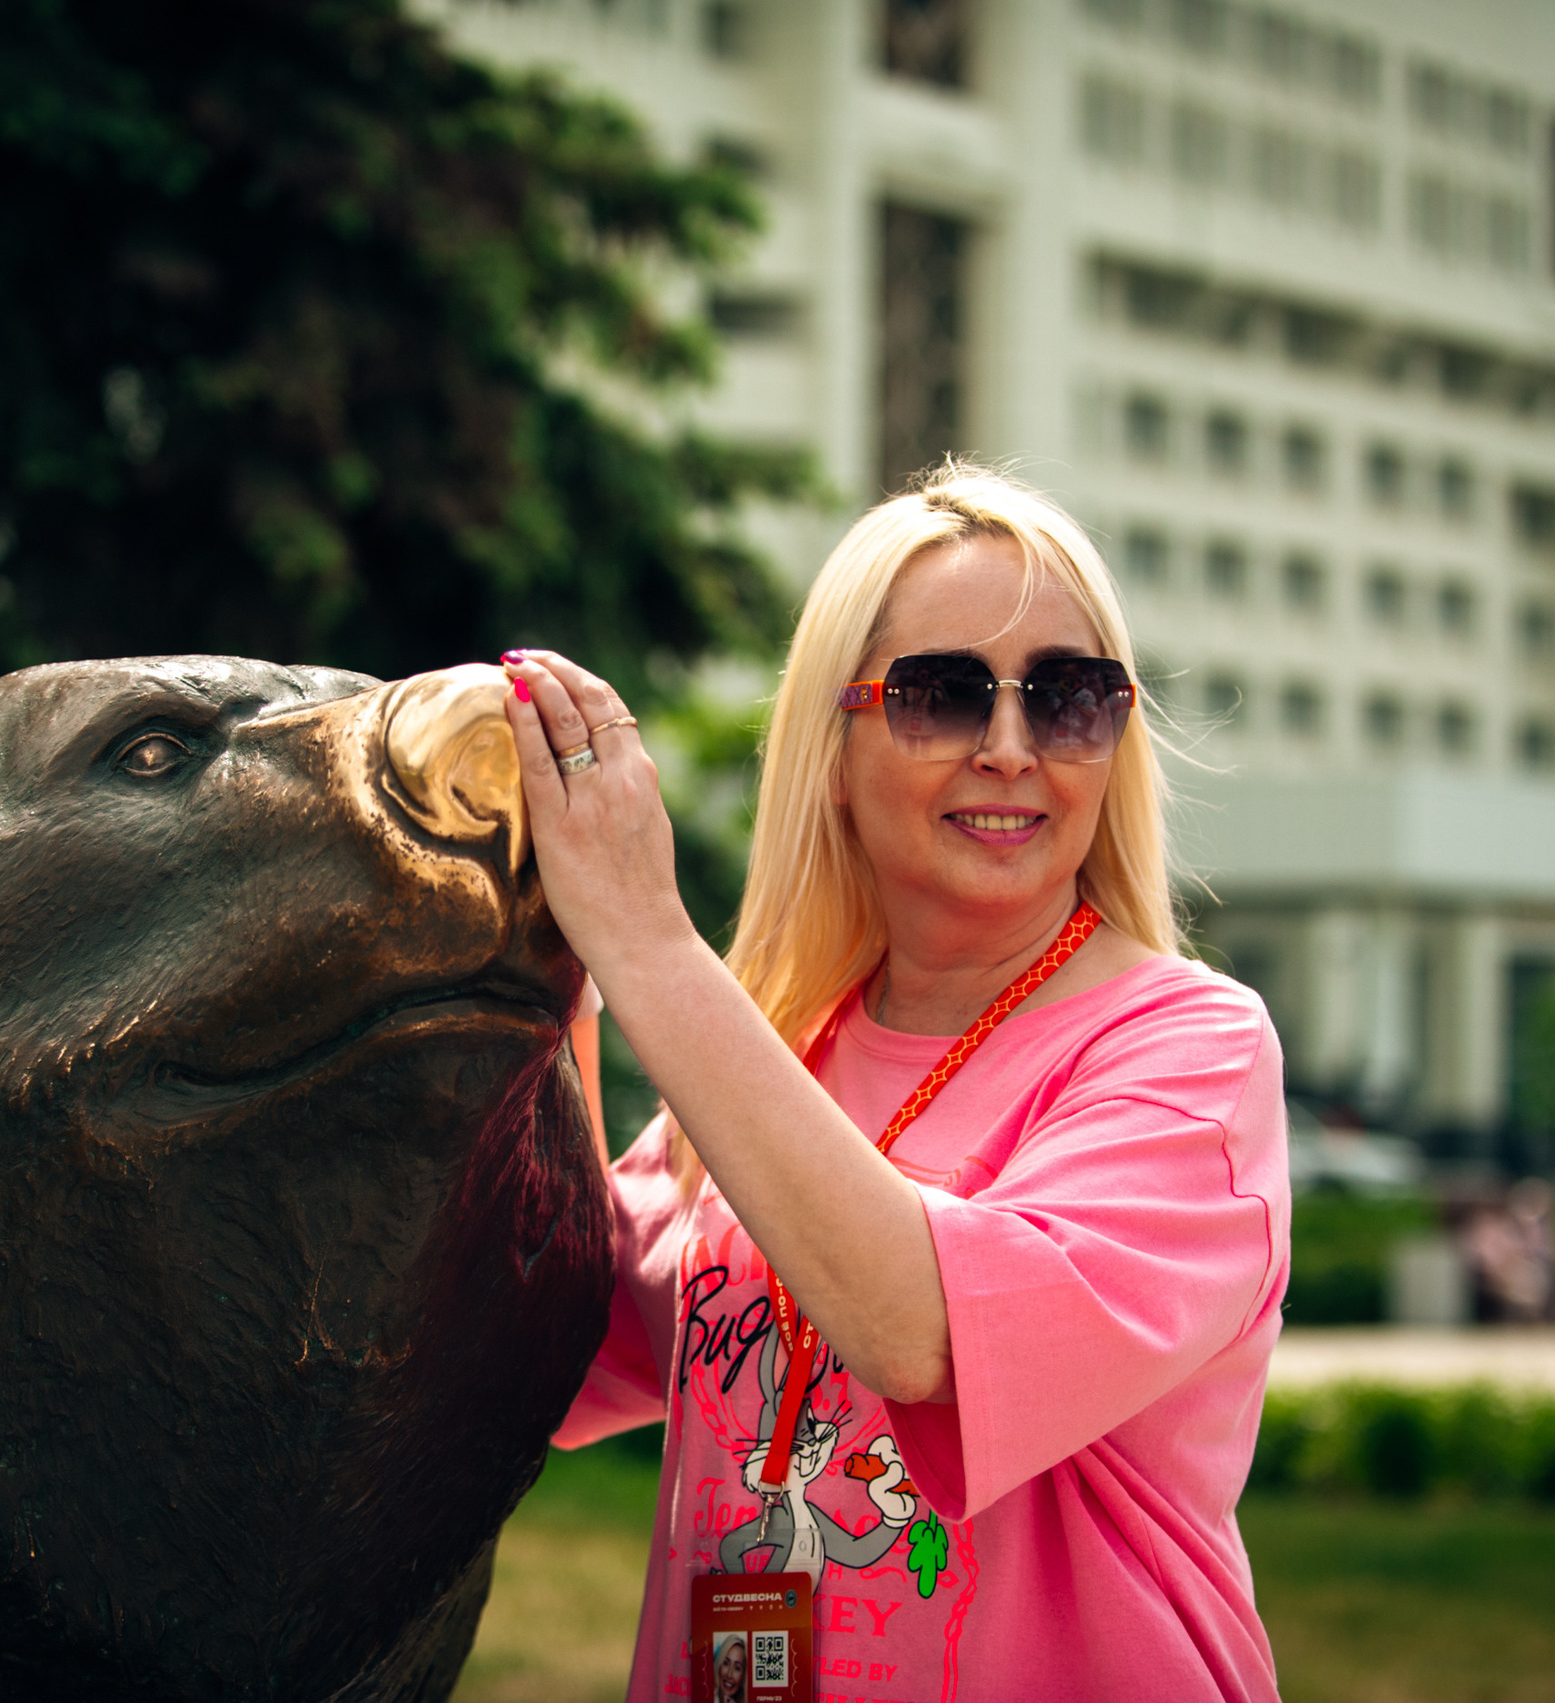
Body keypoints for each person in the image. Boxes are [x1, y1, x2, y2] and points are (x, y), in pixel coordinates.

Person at [499, 463, 1289, 1702]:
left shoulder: (1189, 1045)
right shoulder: (778, 1048)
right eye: (942, 695)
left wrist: (649, 945)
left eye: (1069, 696)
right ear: (831, 747)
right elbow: (545, 1336)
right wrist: (549, 974)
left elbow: (923, 1331)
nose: (1013, 747)